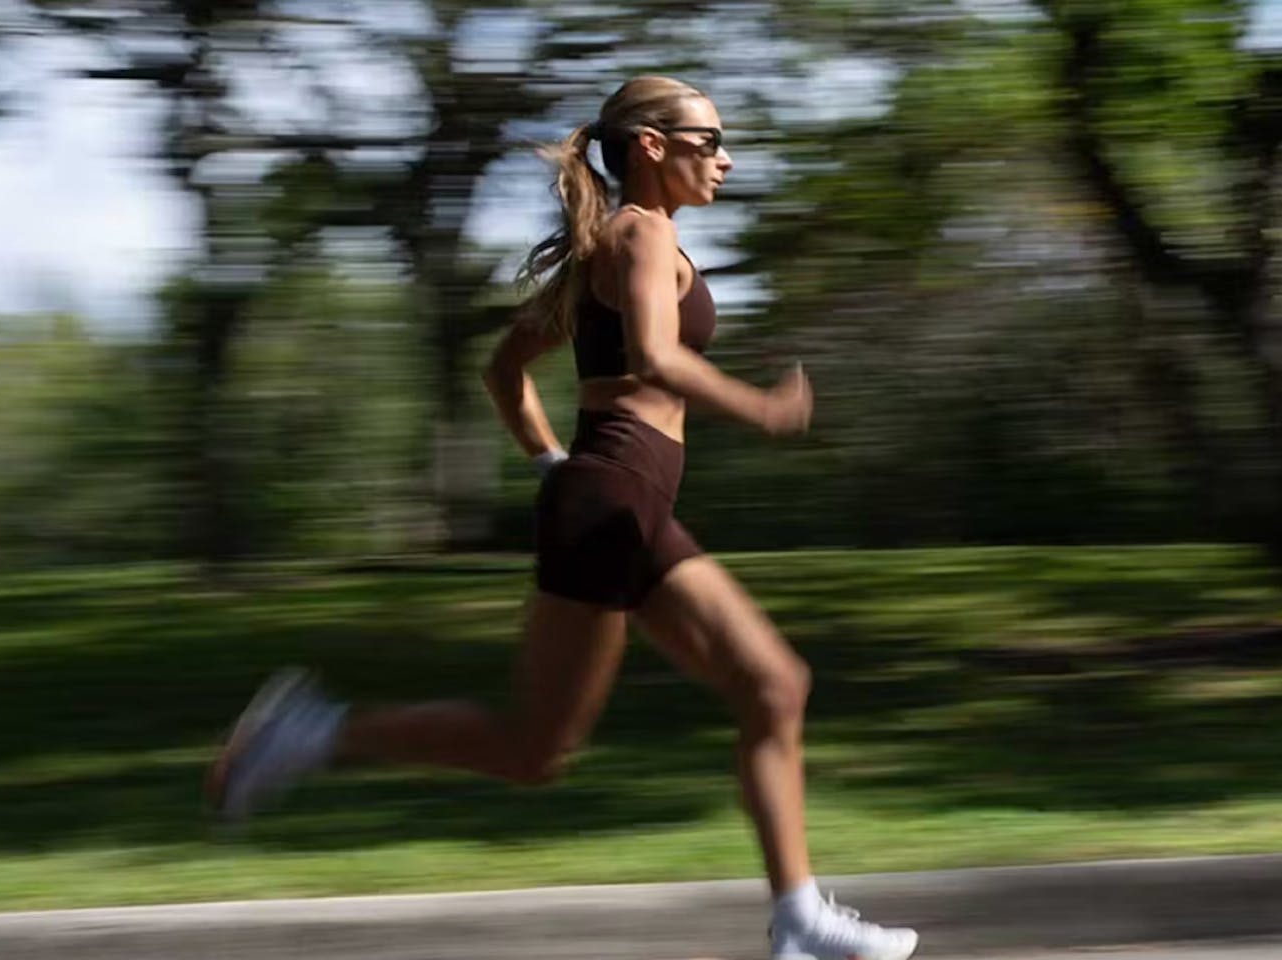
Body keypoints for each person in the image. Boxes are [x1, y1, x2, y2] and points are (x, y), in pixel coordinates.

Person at [206, 75, 919, 960]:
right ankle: (308, 735)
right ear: (652, 147)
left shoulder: (605, 249)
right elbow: (655, 357)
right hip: (614, 498)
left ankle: (799, 919)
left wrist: (550, 464)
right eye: (709, 140)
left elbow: (504, 371)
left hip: (619, 501)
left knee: (759, 690)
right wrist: (758, 409)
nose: (725, 158)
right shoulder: (637, 234)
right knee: (545, 746)